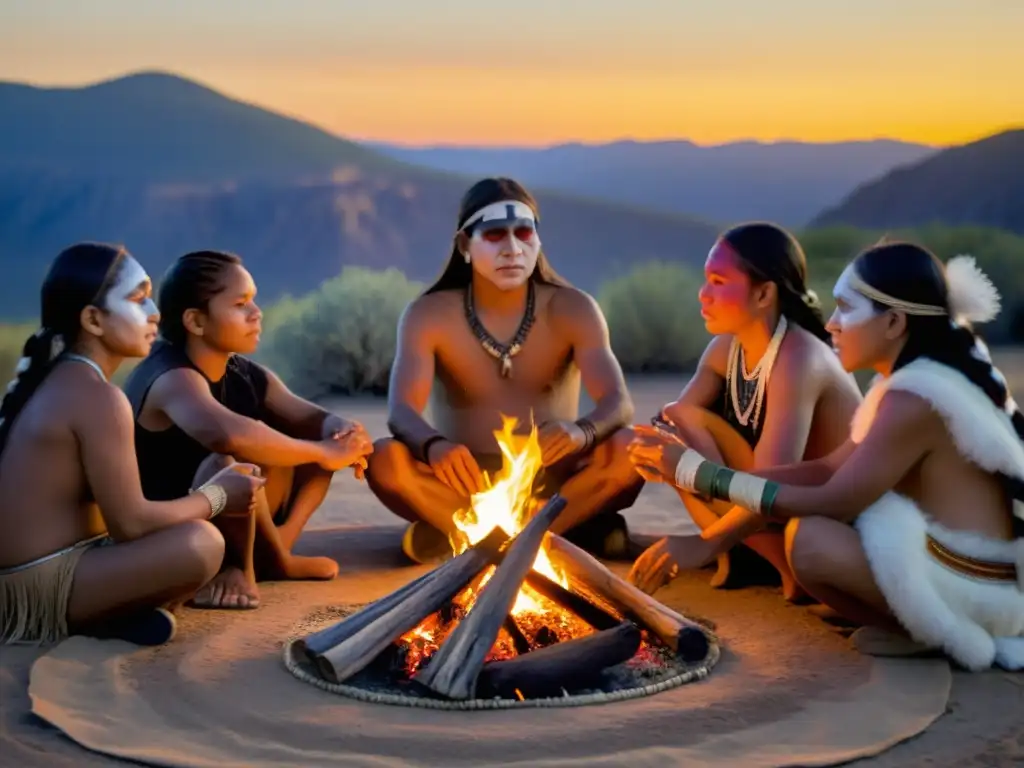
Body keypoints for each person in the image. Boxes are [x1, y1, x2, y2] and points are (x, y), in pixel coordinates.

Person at [628, 243, 1024, 671]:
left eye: (846, 309)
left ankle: (937, 633)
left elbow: (837, 498)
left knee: (812, 540)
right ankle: (914, 624)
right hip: (954, 567)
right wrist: (711, 532)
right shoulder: (909, 385)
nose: (832, 324)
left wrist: (696, 473)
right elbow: (827, 468)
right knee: (812, 533)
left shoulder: (914, 399)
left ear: (893, 322)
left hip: (979, 594)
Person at [365, 177, 643, 564]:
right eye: (495, 235)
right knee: (384, 460)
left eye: (524, 234)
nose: (513, 249)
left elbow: (619, 403)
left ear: (538, 241)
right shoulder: (428, 315)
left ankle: (465, 538)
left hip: (556, 479)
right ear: (465, 245)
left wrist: (582, 432)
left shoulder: (574, 309)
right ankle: (565, 533)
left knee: (632, 451)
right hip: (463, 481)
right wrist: (434, 446)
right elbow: (402, 412)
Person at [0, 243, 264, 647]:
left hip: (66, 563)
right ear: (93, 319)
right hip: (35, 588)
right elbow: (131, 525)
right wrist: (216, 497)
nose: (155, 312)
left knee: (192, 509)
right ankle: (99, 616)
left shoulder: (73, 381)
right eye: (138, 299)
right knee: (202, 544)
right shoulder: (96, 396)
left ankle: (117, 613)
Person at [123, 250, 373, 610]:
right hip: (176, 530)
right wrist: (326, 452)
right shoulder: (170, 377)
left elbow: (311, 417)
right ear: (195, 321)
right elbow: (227, 434)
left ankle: (277, 554)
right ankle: (235, 567)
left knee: (314, 442)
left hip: (243, 520)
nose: (256, 313)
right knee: (227, 463)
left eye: (254, 301)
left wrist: (344, 432)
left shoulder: (244, 372)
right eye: (240, 304)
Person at [645, 222, 862, 600]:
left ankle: (780, 567)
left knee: (685, 426)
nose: (703, 294)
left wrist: (703, 542)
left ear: (763, 294)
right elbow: (670, 428)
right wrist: (656, 449)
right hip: (773, 508)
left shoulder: (799, 358)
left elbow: (772, 485)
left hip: (828, 521)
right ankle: (746, 555)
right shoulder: (724, 350)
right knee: (674, 430)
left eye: (717, 281)